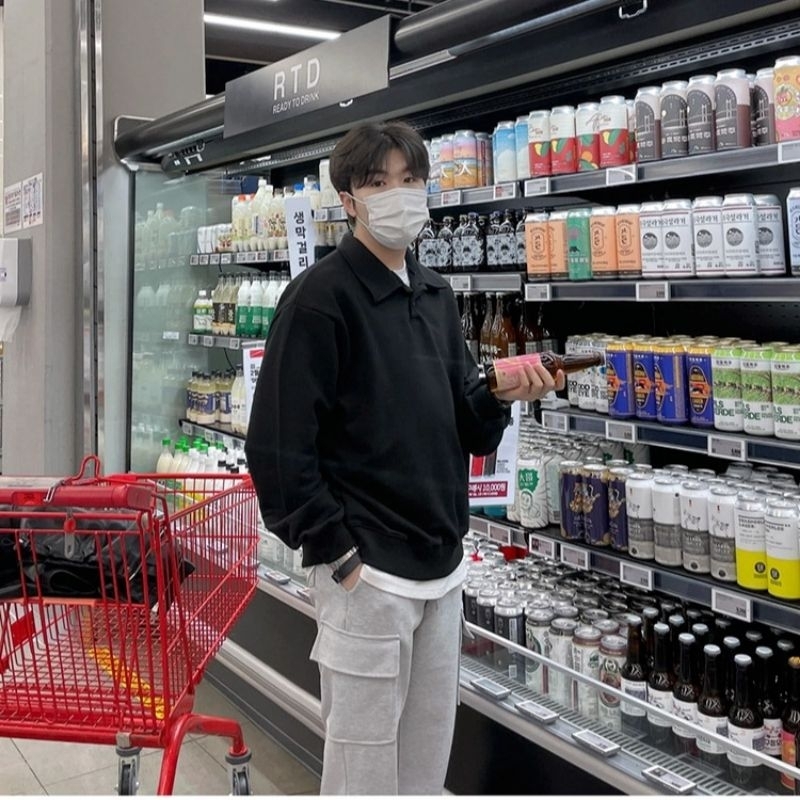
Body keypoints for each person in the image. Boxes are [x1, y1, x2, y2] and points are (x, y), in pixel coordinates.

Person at [244, 120, 563, 795]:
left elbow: (467, 426)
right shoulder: (319, 300)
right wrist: (339, 553)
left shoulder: (436, 294)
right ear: (348, 201)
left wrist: (501, 395)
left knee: (423, 773)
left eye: (411, 179)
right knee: (361, 777)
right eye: (379, 182)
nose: (400, 194)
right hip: (368, 582)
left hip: (443, 573)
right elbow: (276, 449)